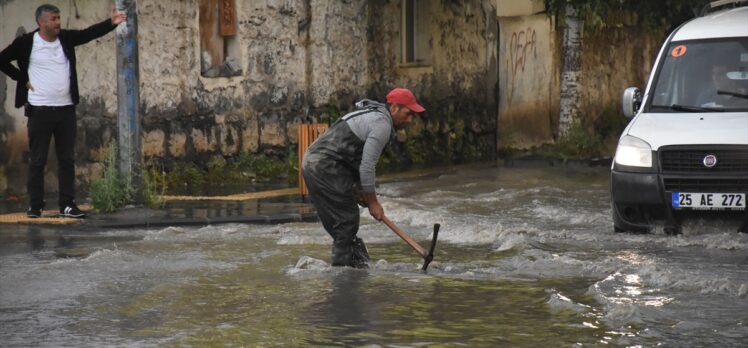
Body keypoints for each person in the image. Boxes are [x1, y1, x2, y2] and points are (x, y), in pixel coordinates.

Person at [0, 4, 127, 218]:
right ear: (41, 22)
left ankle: (67, 204)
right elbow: (2, 59)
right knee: (37, 159)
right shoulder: (26, 43)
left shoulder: (66, 39)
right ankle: (35, 205)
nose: (58, 22)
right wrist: (22, 79)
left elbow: (88, 34)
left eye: (59, 18)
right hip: (40, 110)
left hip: (66, 110)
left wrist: (111, 23)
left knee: (66, 159)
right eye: (53, 19)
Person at [302, 88, 425, 268]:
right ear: (395, 108)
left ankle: (359, 267)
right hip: (325, 166)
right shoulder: (382, 124)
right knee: (346, 224)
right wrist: (373, 202)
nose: (410, 120)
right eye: (408, 113)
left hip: (318, 163)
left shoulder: (373, 115)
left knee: (344, 228)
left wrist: (360, 191)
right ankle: (343, 280)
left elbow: (352, 156)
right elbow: (367, 166)